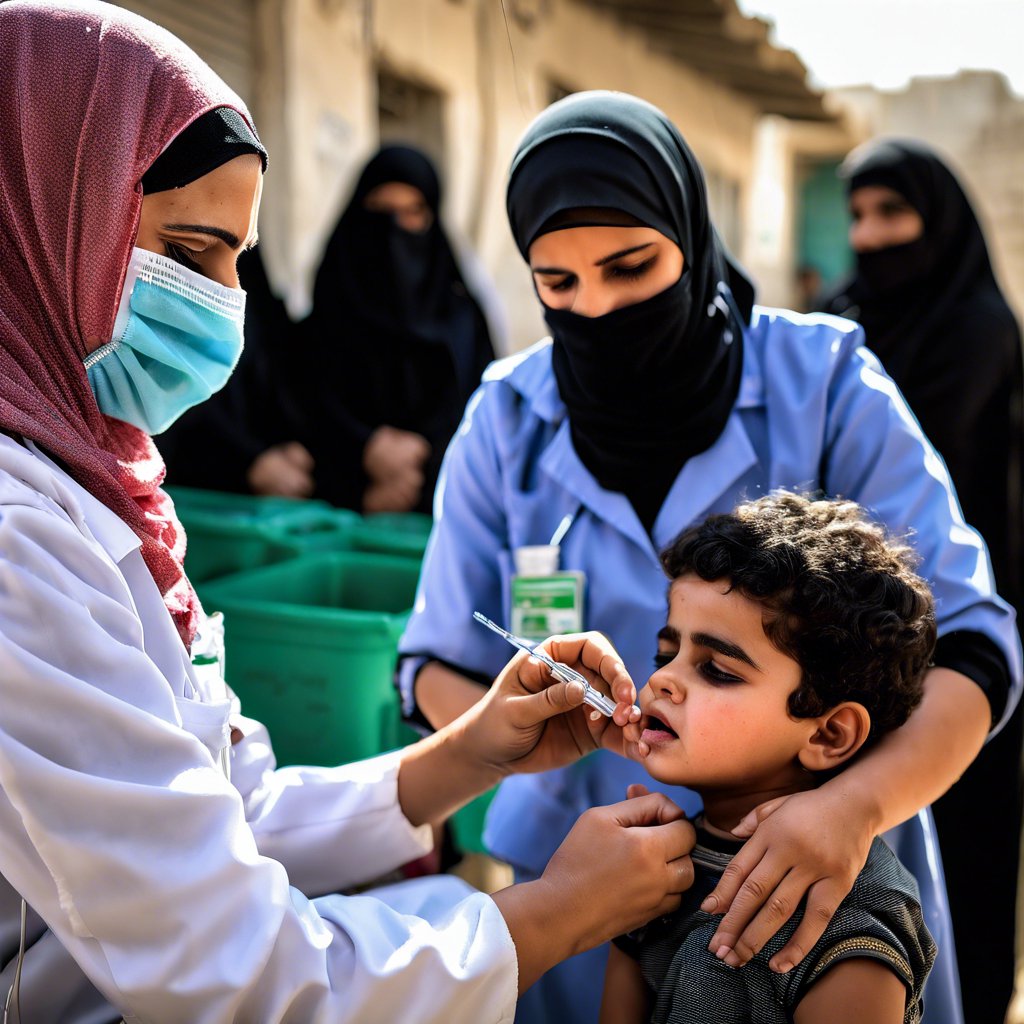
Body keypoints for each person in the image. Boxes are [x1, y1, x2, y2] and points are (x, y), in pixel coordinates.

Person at [0, 6, 698, 1021]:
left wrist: (462, 754)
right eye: (189, 255)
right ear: (40, 221)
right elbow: (236, 968)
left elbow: (220, 821)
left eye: (239, 257)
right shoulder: (19, 539)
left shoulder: (105, 493)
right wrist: (557, 911)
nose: (225, 308)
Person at [397, 90, 1022, 1024]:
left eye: (631, 265)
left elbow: (971, 648)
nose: (598, 309)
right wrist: (532, 729)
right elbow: (439, 661)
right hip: (586, 868)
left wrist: (848, 811)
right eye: (557, 285)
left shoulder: (825, 384)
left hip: (813, 870)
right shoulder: (506, 416)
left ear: (690, 233)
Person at [820, 138, 1024, 1021]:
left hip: (959, 634)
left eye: (892, 214)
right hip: (855, 629)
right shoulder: (841, 327)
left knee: (964, 830)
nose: (870, 236)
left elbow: (895, 473)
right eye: (858, 216)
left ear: (936, 224)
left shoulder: (977, 328)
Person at [601, 492, 937, 1024]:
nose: (662, 680)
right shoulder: (649, 872)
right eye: (666, 655)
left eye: (717, 670)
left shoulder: (850, 921)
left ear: (829, 734)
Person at [290, 144, 498, 514]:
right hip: (338, 528)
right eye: (381, 212)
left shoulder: (464, 323)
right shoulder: (325, 321)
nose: (394, 232)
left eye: (412, 212)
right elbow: (300, 416)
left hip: (452, 517)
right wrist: (364, 452)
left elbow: (486, 422)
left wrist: (420, 470)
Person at [158, 246, 317, 499]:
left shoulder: (256, 263)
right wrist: (248, 459)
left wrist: (283, 444)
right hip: (182, 483)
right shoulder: (175, 264)